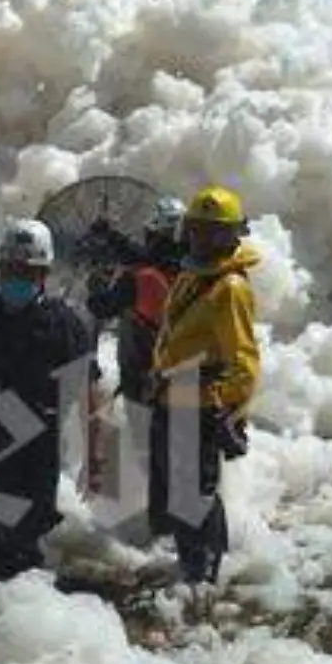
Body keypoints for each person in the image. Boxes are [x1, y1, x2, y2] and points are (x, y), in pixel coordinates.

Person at [0, 219, 106, 587]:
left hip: (33, 449)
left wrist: (96, 456)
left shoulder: (63, 325)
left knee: (22, 537)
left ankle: (27, 606)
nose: (16, 278)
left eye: (26, 271)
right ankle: (7, 594)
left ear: (43, 274)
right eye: (9, 269)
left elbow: (89, 391)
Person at [149, 185, 260, 586]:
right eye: (198, 230)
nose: (203, 240)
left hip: (200, 401)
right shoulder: (194, 275)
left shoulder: (229, 288)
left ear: (233, 236)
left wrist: (227, 409)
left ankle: (203, 575)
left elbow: (244, 360)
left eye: (215, 233)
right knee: (181, 493)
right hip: (175, 393)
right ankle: (194, 565)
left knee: (194, 494)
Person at [86, 196, 186, 407]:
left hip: (145, 383)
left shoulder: (139, 278)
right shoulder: (196, 270)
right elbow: (141, 255)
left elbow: (100, 307)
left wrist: (98, 284)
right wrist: (112, 237)